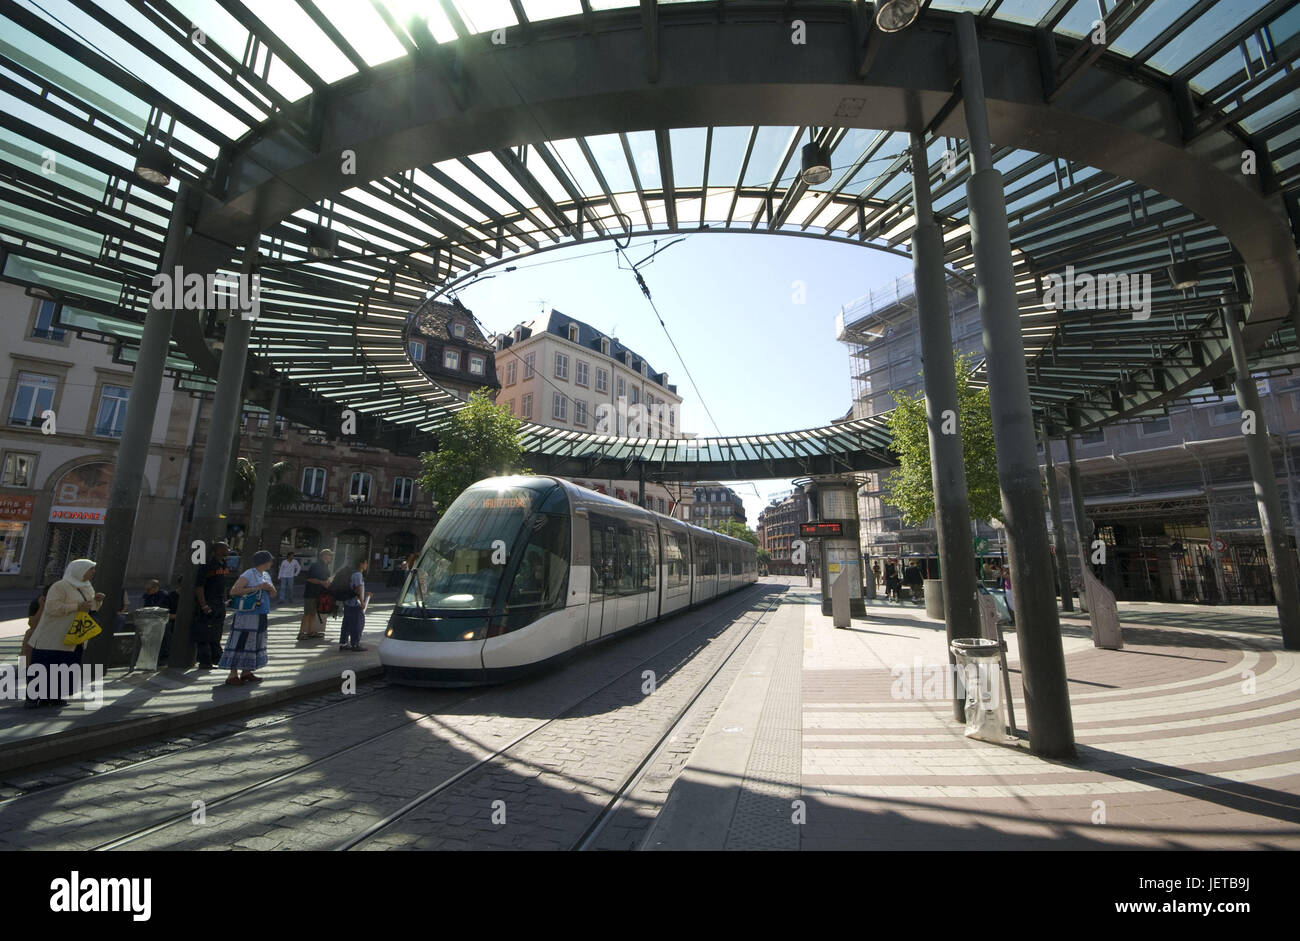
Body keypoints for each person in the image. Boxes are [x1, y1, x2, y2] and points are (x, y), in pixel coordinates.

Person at [25, 559, 104, 708]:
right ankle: (33, 698)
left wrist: (97, 602)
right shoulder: (60, 586)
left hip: (74, 637)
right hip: (52, 637)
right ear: (79, 570)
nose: (93, 572)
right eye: (90, 569)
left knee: (65, 667)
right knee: (45, 666)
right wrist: (76, 606)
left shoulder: (87, 587)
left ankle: (54, 697)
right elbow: (52, 608)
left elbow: (90, 608)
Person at [221, 550, 277, 686]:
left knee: (254, 641)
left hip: (261, 613)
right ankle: (232, 674)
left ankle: (246, 671)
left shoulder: (266, 575)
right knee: (241, 641)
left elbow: (273, 594)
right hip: (246, 615)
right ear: (264, 561)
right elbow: (234, 591)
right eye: (270, 560)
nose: (271, 563)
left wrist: (270, 588)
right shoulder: (248, 574)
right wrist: (256, 588)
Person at [193, 542, 231, 669]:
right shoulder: (208, 565)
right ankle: (205, 661)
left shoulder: (223, 564)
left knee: (216, 632)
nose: (228, 550)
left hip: (219, 603)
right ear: (218, 550)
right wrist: (204, 605)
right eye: (226, 548)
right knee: (205, 632)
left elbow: (223, 583)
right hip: (209, 602)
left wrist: (224, 600)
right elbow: (199, 586)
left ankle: (217, 658)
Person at [338, 557, 372, 652]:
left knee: (347, 623)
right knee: (358, 623)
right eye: (365, 563)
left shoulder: (352, 573)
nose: (367, 565)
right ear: (361, 564)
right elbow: (358, 589)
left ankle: (343, 643)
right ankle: (355, 644)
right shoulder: (358, 575)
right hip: (354, 604)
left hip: (348, 602)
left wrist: (365, 594)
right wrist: (362, 602)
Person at [299, 548, 334, 640]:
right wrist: (322, 582)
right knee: (307, 613)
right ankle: (301, 632)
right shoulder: (316, 566)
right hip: (311, 593)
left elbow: (326, 579)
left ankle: (310, 631)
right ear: (323, 556)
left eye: (331, 555)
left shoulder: (326, 567)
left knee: (313, 613)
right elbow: (309, 579)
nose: (330, 557)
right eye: (329, 555)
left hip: (318, 594)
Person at [21, 584, 50, 661]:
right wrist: (42, 607)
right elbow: (32, 625)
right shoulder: (38, 603)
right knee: (29, 633)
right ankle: (24, 667)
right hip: (45, 630)